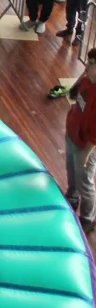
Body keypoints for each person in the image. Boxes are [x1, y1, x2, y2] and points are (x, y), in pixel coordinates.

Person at [62, 47, 96, 231]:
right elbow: (74, 96)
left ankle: (87, 218)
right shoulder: (86, 81)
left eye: (91, 64)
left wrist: (86, 154)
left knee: (85, 182)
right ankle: (72, 196)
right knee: (71, 171)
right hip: (73, 136)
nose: (86, 66)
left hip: (85, 147)